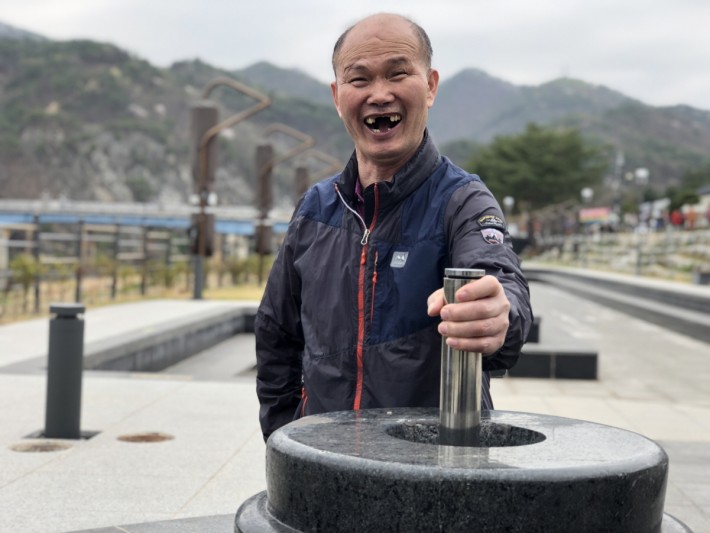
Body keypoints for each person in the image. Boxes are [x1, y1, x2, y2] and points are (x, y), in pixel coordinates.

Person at [254, 13, 532, 441]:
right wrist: (284, 438)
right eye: (359, 79)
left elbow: (500, 280)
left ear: (431, 86)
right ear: (337, 96)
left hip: (431, 467)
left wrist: (499, 315)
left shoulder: (463, 201)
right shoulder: (315, 208)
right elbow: (276, 334)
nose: (380, 94)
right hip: (325, 459)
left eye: (398, 74)